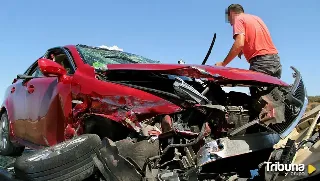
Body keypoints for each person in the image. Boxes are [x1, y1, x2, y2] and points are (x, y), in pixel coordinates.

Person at [216, 4, 282, 100]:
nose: (230, 22)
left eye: (229, 18)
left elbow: (239, 43)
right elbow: (257, 37)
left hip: (262, 62)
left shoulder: (238, 19)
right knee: (272, 99)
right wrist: (243, 50)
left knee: (258, 101)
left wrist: (223, 63)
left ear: (231, 13)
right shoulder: (256, 18)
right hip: (275, 61)